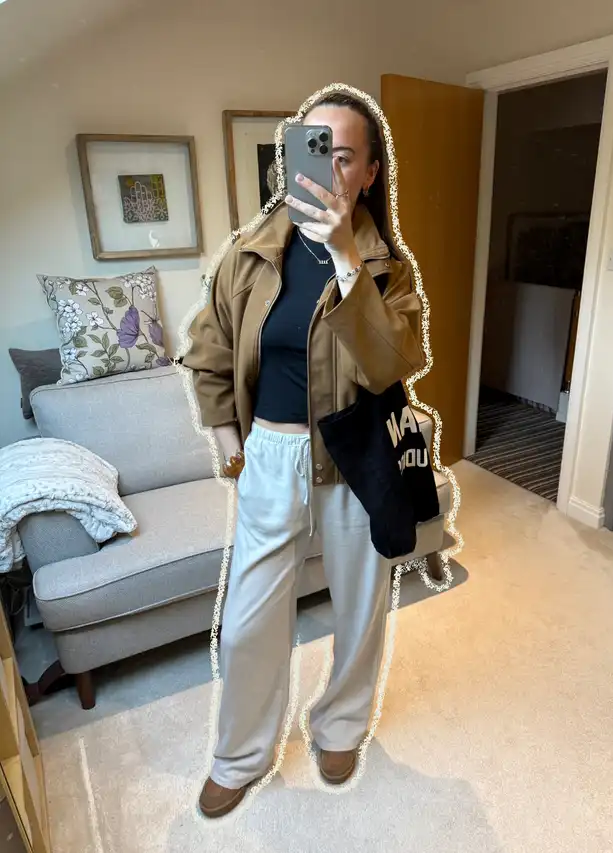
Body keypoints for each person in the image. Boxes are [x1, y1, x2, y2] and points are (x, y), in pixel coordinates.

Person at [183, 91, 425, 819]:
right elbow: (209, 348)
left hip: (358, 454)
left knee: (361, 607)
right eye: (314, 151)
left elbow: (391, 363)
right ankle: (241, 755)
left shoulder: (386, 267)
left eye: (343, 156)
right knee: (248, 620)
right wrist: (233, 444)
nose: (327, 169)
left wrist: (347, 255)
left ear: (370, 172)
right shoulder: (252, 251)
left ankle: (341, 726)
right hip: (273, 452)